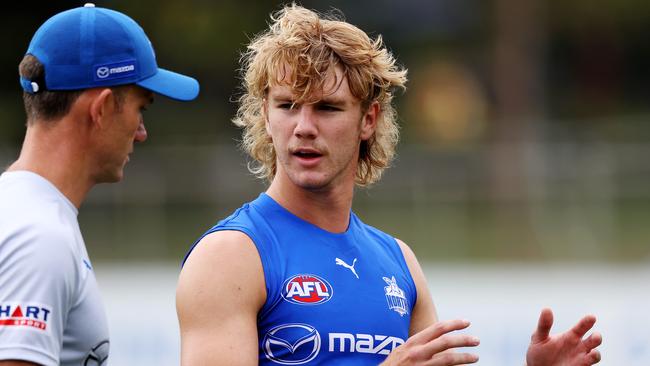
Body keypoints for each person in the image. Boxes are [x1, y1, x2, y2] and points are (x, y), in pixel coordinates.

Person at [176, 4, 601, 365]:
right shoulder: (231, 255)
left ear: (369, 120)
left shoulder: (399, 261)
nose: (303, 127)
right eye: (287, 106)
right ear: (266, 117)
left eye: (327, 108)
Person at [0, 4, 199, 366]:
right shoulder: (39, 238)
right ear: (103, 108)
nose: (142, 132)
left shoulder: (20, 213)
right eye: (141, 108)